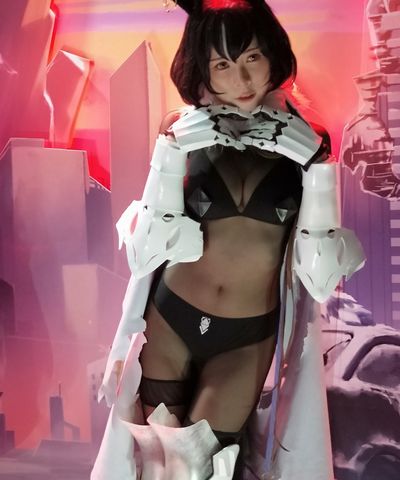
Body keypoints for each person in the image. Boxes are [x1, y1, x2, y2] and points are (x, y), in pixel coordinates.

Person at [91, 1, 365, 479]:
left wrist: (318, 166)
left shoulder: (311, 140)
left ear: (272, 54)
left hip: (244, 337)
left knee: (199, 467)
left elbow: (320, 278)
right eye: (222, 65)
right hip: (170, 318)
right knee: (154, 467)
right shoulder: (179, 129)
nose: (241, 79)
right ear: (203, 69)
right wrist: (170, 152)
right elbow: (146, 252)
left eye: (252, 58)